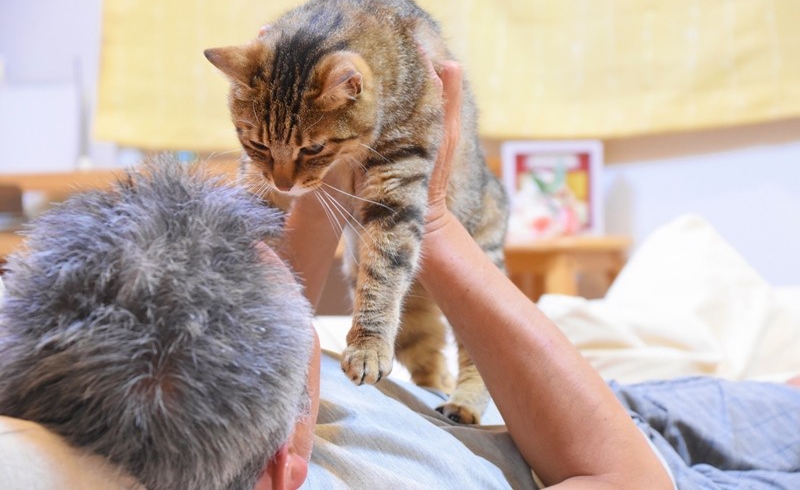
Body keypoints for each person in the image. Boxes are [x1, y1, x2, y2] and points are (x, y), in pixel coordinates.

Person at [0, 64, 798, 489]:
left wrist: (327, 152)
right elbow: (625, 477)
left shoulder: (86, 377)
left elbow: (267, 284)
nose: (292, 277)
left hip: (586, 405)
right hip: (612, 444)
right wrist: (435, 228)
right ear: (284, 469)